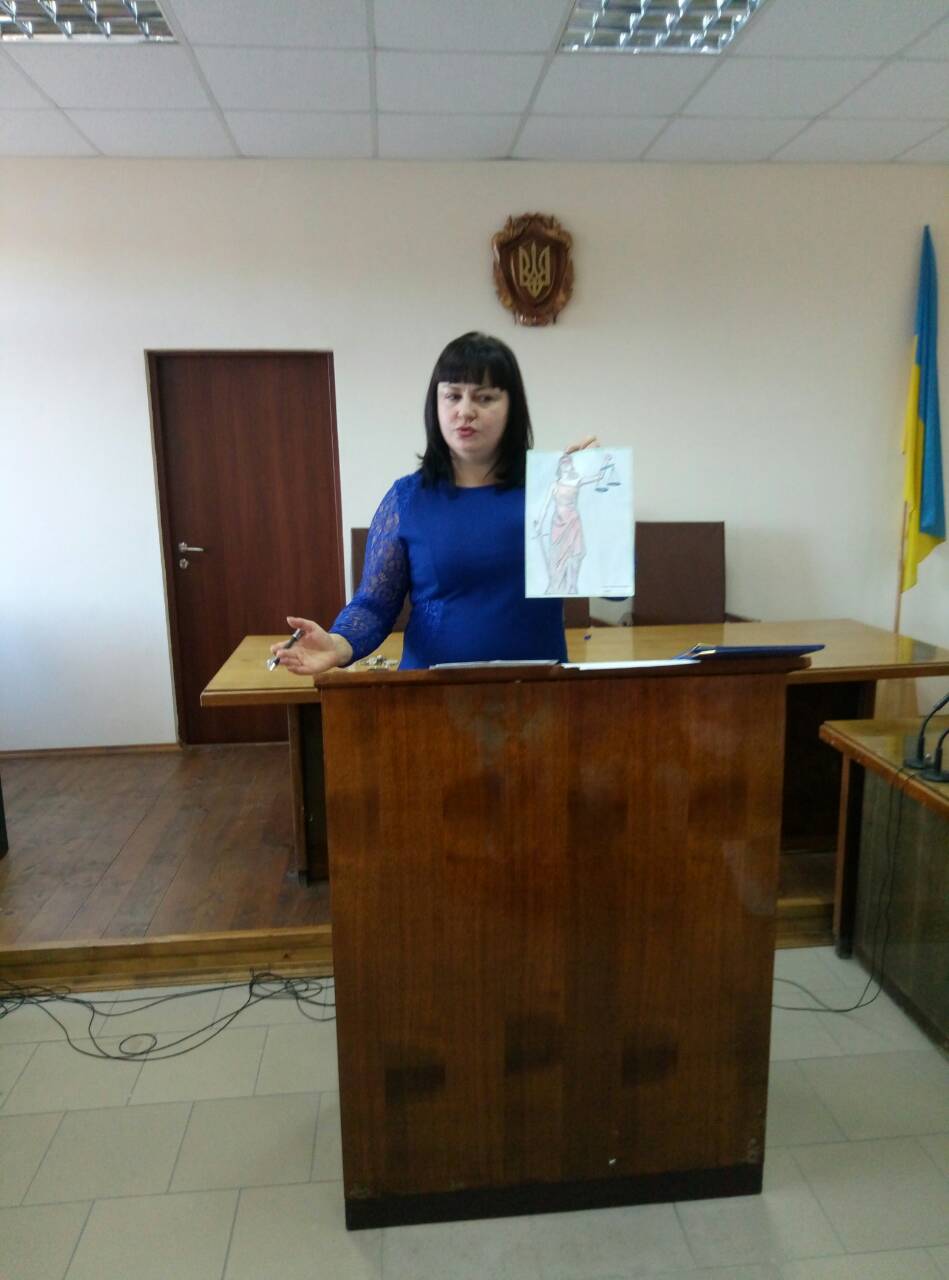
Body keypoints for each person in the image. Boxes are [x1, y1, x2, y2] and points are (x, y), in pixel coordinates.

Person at [271, 332, 596, 676]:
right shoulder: (407, 498)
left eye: (484, 398)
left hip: (537, 689)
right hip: (431, 693)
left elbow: (612, 587)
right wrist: (338, 644)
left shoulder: (554, 491)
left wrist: (600, 502)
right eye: (452, 396)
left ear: (512, 407)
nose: (465, 411)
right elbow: (375, 605)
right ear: (435, 404)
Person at [532, 452, 612, 596]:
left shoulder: (577, 480)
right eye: (563, 462)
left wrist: (606, 462)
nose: (566, 464)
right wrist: (539, 523)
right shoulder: (554, 485)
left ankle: (573, 587)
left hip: (573, 522)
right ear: (560, 466)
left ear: (571, 465)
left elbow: (598, 477)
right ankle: (556, 586)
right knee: (557, 557)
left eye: (568, 461)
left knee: (575, 555)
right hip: (558, 524)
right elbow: (545, 506)